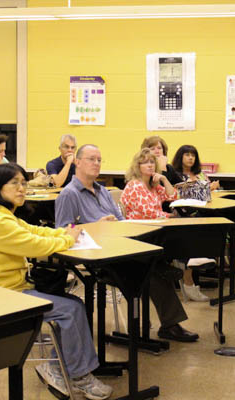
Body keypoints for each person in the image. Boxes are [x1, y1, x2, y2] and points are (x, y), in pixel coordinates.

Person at [0, 163, 112, 400]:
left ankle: (61, 368)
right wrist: (67, 240)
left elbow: (35, 231)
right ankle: (76, 376)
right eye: (14, 183)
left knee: (71, 304)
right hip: (3, 296)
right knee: (71, 309)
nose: (21, 189)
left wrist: (65, 232)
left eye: (23, 183)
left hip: (8, 288)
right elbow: (36, 246)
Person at [56, 144, 198, 342]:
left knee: (153, 260)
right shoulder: (69, 194)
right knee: (151, 268)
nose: (96, 163)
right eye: (91, 159)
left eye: (99, 160)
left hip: (119, 246)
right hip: (96, 255)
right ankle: (162, 321)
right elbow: (62, 231)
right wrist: (95, 226)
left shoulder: (103, 191)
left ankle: (157, 317)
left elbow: (121, 221)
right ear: (77, 162)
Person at [120, 149, 208, 302]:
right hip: (140, 230)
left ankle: (186, 260)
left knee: (186, 223)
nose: (150, 165)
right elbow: (148, 212)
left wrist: (164, 180)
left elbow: (172, 195)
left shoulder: (153, 185)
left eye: (152, 162)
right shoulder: (134, 186)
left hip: (156, 226)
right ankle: (186, 260)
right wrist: (170, 216)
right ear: (137, 166)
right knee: (179, 227)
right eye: (145, 162)